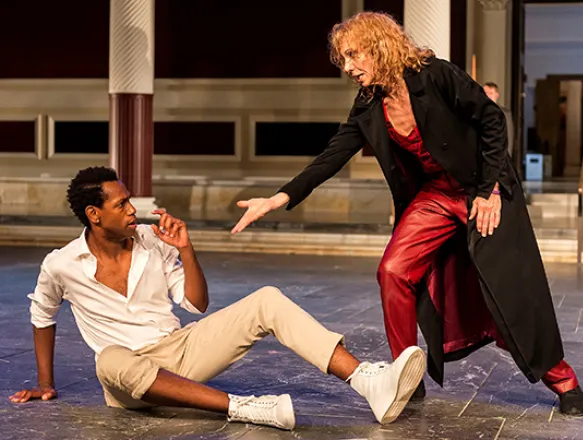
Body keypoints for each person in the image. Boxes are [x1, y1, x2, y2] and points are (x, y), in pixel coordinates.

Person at [231, 12, 583, 416]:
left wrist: (490, 191)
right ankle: (405, 374)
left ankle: (563, 379)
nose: (348, 66)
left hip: (481, 190)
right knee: (393, 271)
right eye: (343, 58)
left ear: (380, 46)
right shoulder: (368, 104)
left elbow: (492, 119)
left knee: (511, 294)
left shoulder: (435, 75)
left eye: (354, 54)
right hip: (435, 196)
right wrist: (278, 198)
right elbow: (331, 156)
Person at [9, 166, 426, 430]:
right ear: (94, 214)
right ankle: (244, 407)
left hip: (180, 351)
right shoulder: (62, 263)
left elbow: (196, 304)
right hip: (126, 378)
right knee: (109, 360)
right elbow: (42, 314)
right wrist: (45, 383)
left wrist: (186, 250)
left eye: (130, 200)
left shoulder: (154, 240)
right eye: (122, 204)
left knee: (267, 299)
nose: (133, 209)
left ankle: (368, 382)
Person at [483, 82, 515, 157]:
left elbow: (509, 136)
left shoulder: (505, 113)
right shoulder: (477, 112)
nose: (487, 95)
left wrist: (507, 157)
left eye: (491, 93)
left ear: (496, 95)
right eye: (485, 93)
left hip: (497, 155)